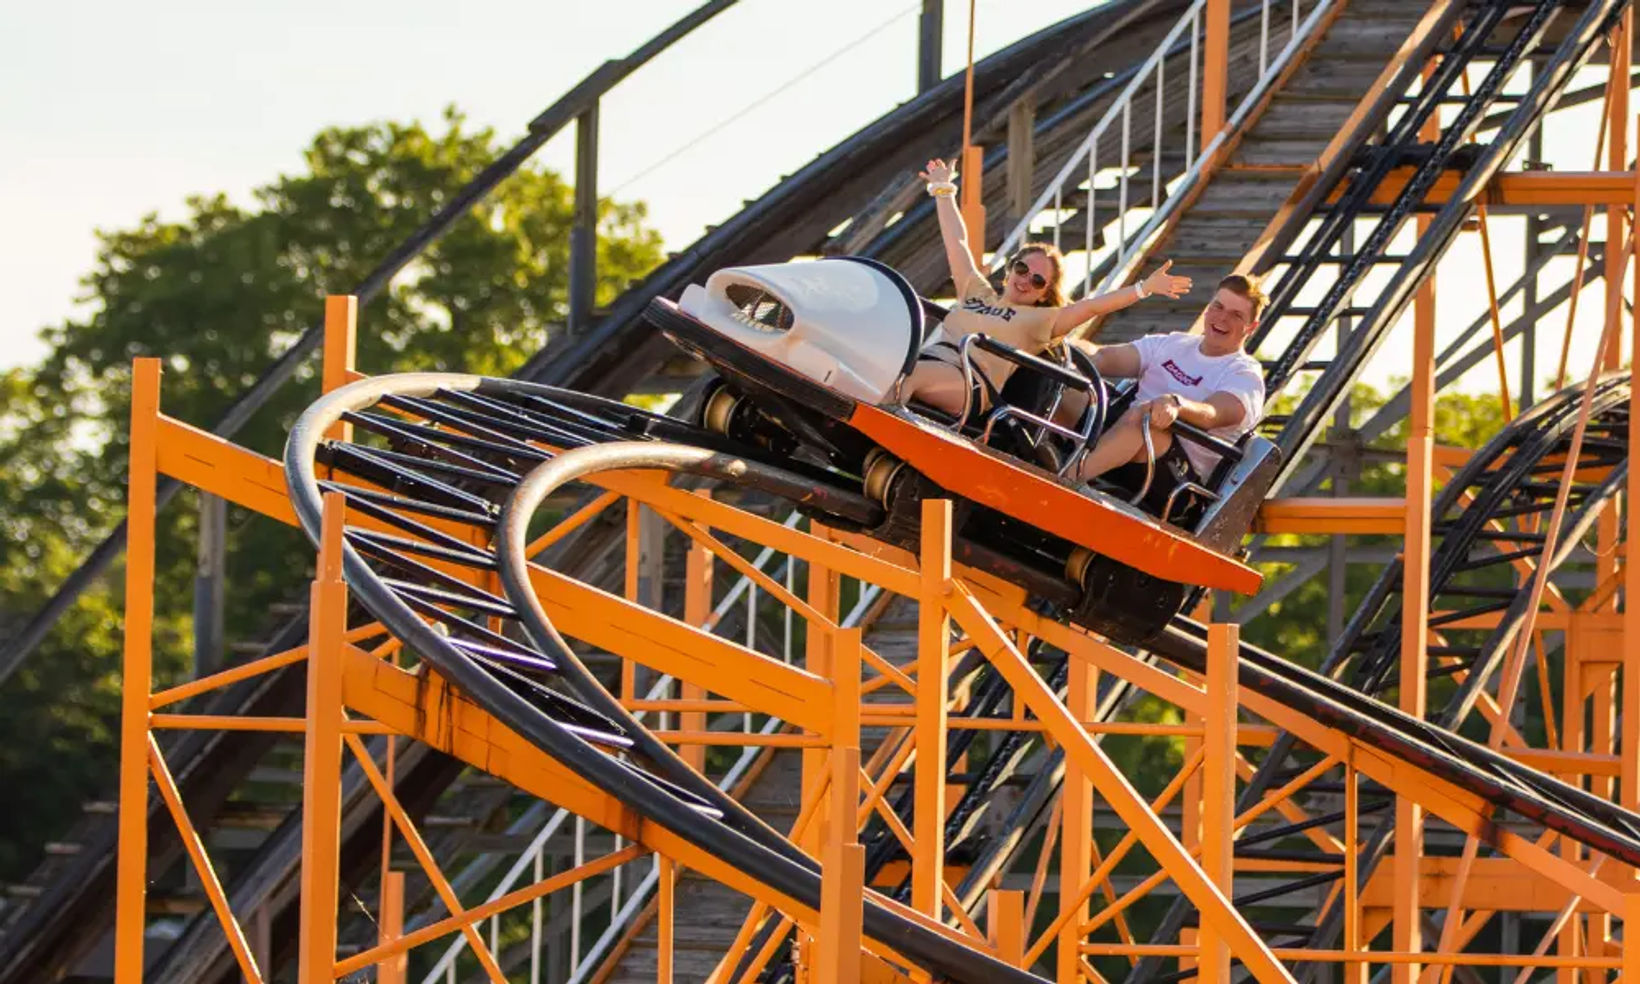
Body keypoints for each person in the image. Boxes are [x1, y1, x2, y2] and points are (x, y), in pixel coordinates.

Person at [902, 158, 1192, 416]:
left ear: (1045, 293)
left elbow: (1090, 307)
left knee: (908, 375)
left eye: (1038, 280)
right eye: (1022, 268)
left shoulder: (1041, 320)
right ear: (1010, 269)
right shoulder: (976, 291)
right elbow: (957, 243)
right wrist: (943, 189)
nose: (1026, 279)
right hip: (933, 357)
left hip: (968, 382)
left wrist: (1143, 288)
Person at [1068, 273, 1268, 515]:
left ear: (1251, 327)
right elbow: (1102, 358)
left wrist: (1176, 404)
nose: (1222, 318)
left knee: (1144, 418)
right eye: (1218, 306)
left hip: (1174, 479)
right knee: (1067, 382)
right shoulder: (1174, 344)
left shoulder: (1245, 373)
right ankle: (1023, 445)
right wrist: (1063, 345)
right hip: (1117, 436)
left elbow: (1215, 412)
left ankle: (1064, 480)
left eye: (1236, 315)